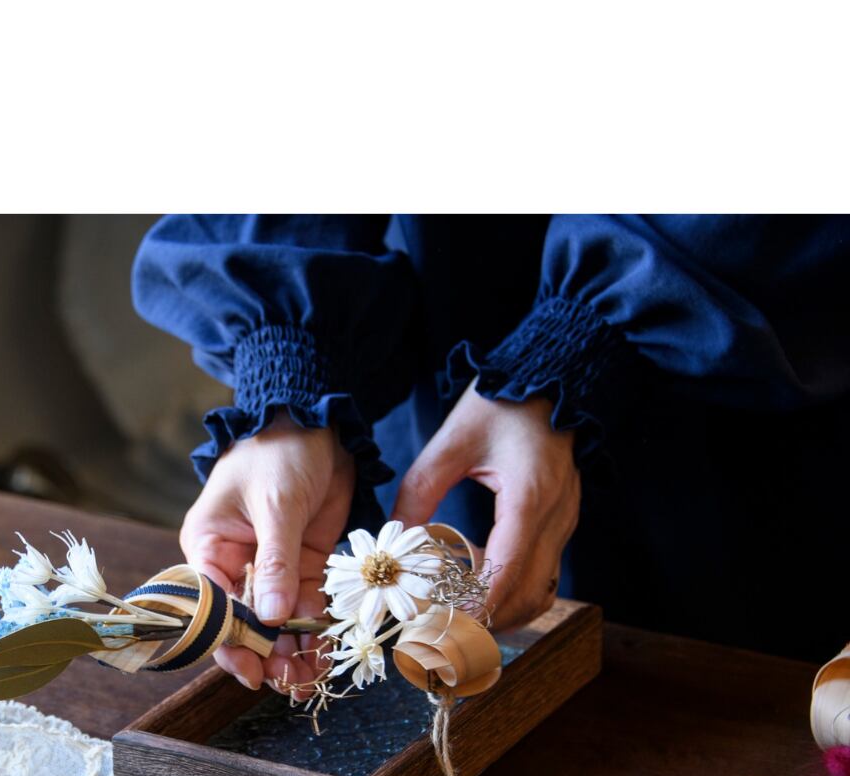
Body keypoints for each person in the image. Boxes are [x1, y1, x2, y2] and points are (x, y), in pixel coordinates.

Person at [131, 215, 850, 688]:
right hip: (453, 363)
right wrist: (288, 391)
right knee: (470, 588)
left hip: (734, 376)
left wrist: (573, 351)